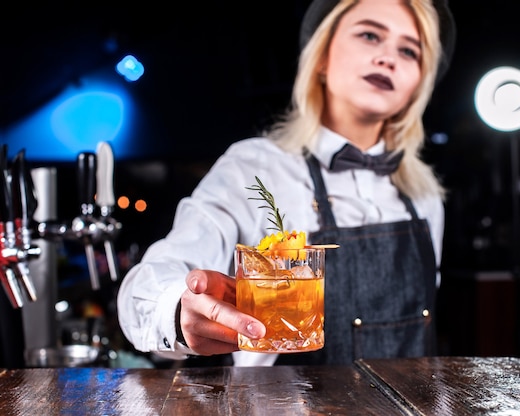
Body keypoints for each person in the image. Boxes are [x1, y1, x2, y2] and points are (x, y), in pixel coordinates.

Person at [117, 0, 456, 367]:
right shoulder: (254, 168)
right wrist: (180, 312)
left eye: (409, 50)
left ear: (420, 80)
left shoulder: (424, 197)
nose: (388, 58)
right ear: (322, 57)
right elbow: (143, 289)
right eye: (370, 35)